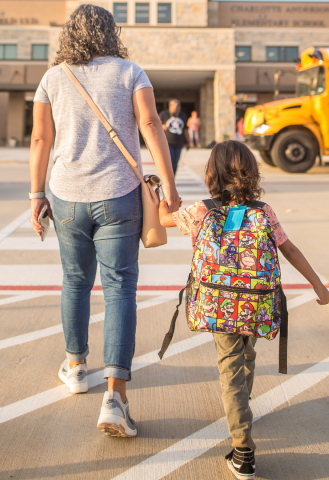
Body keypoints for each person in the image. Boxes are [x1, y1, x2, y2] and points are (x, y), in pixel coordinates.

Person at [29, 4, 180, 438]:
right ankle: (115, 398)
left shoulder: (53, 77)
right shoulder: (131, 71)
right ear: (110, 32)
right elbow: (150, 123)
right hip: (119, 196)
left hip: (67, 197)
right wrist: (167, 185)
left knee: (75, 281)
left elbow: (41, 138)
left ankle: (76, 366)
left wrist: (37, 196)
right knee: (119, 290)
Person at [158, 140, 329, 479]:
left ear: (212, 173)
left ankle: (242, 448)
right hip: (256, 303)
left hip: (219, 304)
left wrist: (157, 198)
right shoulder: (263, 211)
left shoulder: (202, 211)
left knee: (230, 367)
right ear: (252, 173)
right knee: (246, 354)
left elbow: (164, 219)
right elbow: (289, 249)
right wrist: (318, 284)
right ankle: (243, 407)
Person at [160, 99, 189, 175]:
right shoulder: (164, 114)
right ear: (170, 106)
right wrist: (162, 126)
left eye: (178, 105)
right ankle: (167, 178)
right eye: (175, 105)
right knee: (170, 161)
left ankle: (173, 179)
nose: (177, 107)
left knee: (175, 162)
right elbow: (156, 125)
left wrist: (188, 142)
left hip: (179, 143)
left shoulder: (182, 115)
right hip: (168, 142)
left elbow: (185, 129)